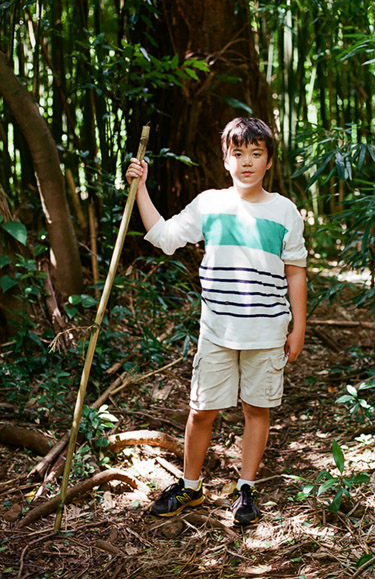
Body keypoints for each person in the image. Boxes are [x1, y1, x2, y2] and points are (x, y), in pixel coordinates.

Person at [125, 117, 307, 526]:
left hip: (266, 329)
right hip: (218, 330)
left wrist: (299, 326)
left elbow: (295, 270)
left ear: (269, 161)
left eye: (256, 154)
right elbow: (165, 236)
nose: (247, 162)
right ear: (225, 160)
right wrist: (141, 189)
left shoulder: (284, 211)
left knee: (256, 409)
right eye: (238, 154)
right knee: (201, 410)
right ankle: (191, 488)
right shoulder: (209, 203)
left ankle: (245, 489)